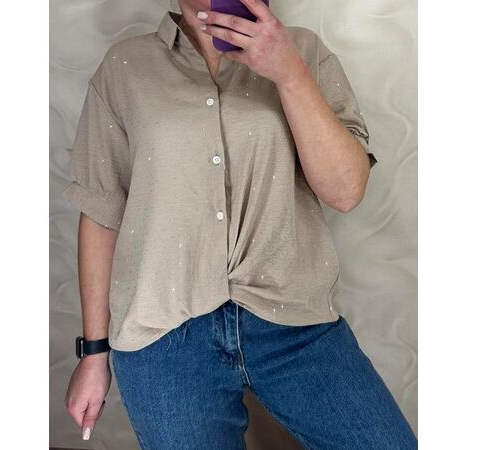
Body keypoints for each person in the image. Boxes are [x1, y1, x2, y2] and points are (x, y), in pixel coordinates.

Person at [63, 0, 417, 448]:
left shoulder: (305, 52)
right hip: (165, 334)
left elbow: (345, 192)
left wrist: (290, 74)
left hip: (295, 322)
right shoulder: (126, 66)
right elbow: (101, 212)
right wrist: (93, 354)